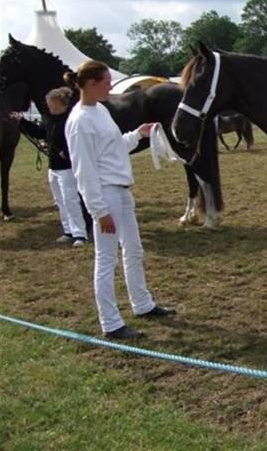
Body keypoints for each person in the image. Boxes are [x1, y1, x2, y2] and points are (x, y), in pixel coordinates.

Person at [64, 60, 175, 340]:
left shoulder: (100, 110)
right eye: (106, 82)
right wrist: (99, 211)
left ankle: (142, 304)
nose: (111, 86)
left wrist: (138, 134)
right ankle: (111, 323)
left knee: (134, 250)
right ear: (91, 84)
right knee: (106, 259)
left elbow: (115, 147)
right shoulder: (79, 122)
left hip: (121, 190)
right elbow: (84, 172)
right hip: (105, 194)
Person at [10, 87, 90, 246]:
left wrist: (67, 152)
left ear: (59, 103)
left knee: (71, 200)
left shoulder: (70, 120)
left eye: (50, 103)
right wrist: (21, 121)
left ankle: (80, 234)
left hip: (67, 167)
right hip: (53, 167)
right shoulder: (49, 119)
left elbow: (77, 139)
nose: (48, 106)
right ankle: (68, 231)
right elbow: (40, 133)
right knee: (59, 200)